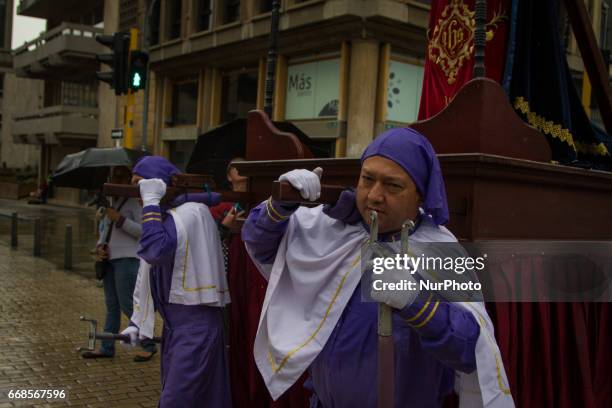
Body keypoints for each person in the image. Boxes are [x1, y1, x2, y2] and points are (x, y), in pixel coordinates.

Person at [242, 128, 514, 407]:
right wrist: (278, 207)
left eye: (392, 186)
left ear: (420, 195)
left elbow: (470, 349)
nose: (374, 196)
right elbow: (260, 244)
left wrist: (416, 301)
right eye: (367, 179)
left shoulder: (440, 249)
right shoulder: (330, 227)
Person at [121, 156, 231, 407]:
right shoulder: (171, 214)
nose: (138, 192)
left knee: (176, 401)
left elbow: (154, 251)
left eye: (141, 184)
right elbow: (149, 270)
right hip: (176, 329)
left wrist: (150, 203)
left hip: (195, 329)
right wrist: (136, 322)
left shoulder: (190, 213)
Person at [81, 166, 157, 361]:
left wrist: (120, 219)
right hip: (109, 260)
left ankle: (148, 344)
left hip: (128, 259)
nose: (116, 180)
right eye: (113, 177)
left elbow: (143, 231)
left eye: (121, 177)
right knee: (112, 306)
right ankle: (107, 347)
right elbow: (104, 230)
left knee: (128, 305)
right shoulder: (109, 203)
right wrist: (100, 248)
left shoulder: (134, 202)